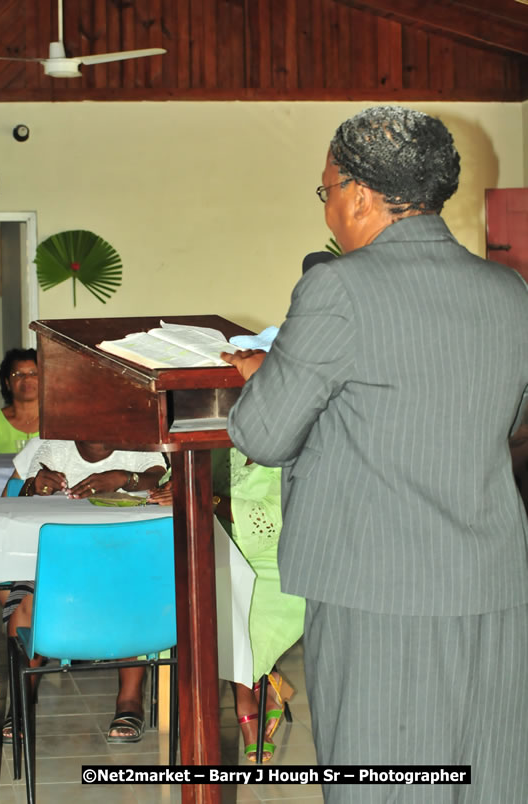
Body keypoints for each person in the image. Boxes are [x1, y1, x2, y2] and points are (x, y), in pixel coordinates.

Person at [222, 106, 528, 801]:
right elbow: (503, 422)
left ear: (359, 195)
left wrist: (268, 380)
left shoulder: (338, 286)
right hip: (492, 583)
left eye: (327, 189)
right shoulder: (508, 290)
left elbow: (262, 436)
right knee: (487, 780)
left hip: (379, 589)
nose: (328, 206)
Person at [3, 439, 167, 745]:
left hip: (121, 557)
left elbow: (158, 478)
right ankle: (21, 697)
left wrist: (122, 478)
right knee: (30, 598)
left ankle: (130, 699)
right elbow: (20, 499)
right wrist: (34, 486)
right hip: (57, 562)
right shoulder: (54, 445)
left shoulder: (137, 443)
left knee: (132, 591)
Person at [148, 448, 305, 762]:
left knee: (230, 607)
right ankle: (256, 689)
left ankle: (247, 700)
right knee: (215, 594)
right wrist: (170, 486)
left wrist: (206, 497)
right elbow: (175, 479)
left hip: (276, 563)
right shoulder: (221, 445)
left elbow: (271, 520)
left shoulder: (289, 453)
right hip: (216, 553)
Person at [0, 348, 39, 453]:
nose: (27, 379)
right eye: (18, 374)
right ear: (7, 383)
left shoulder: (58, 422)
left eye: (33, 373)